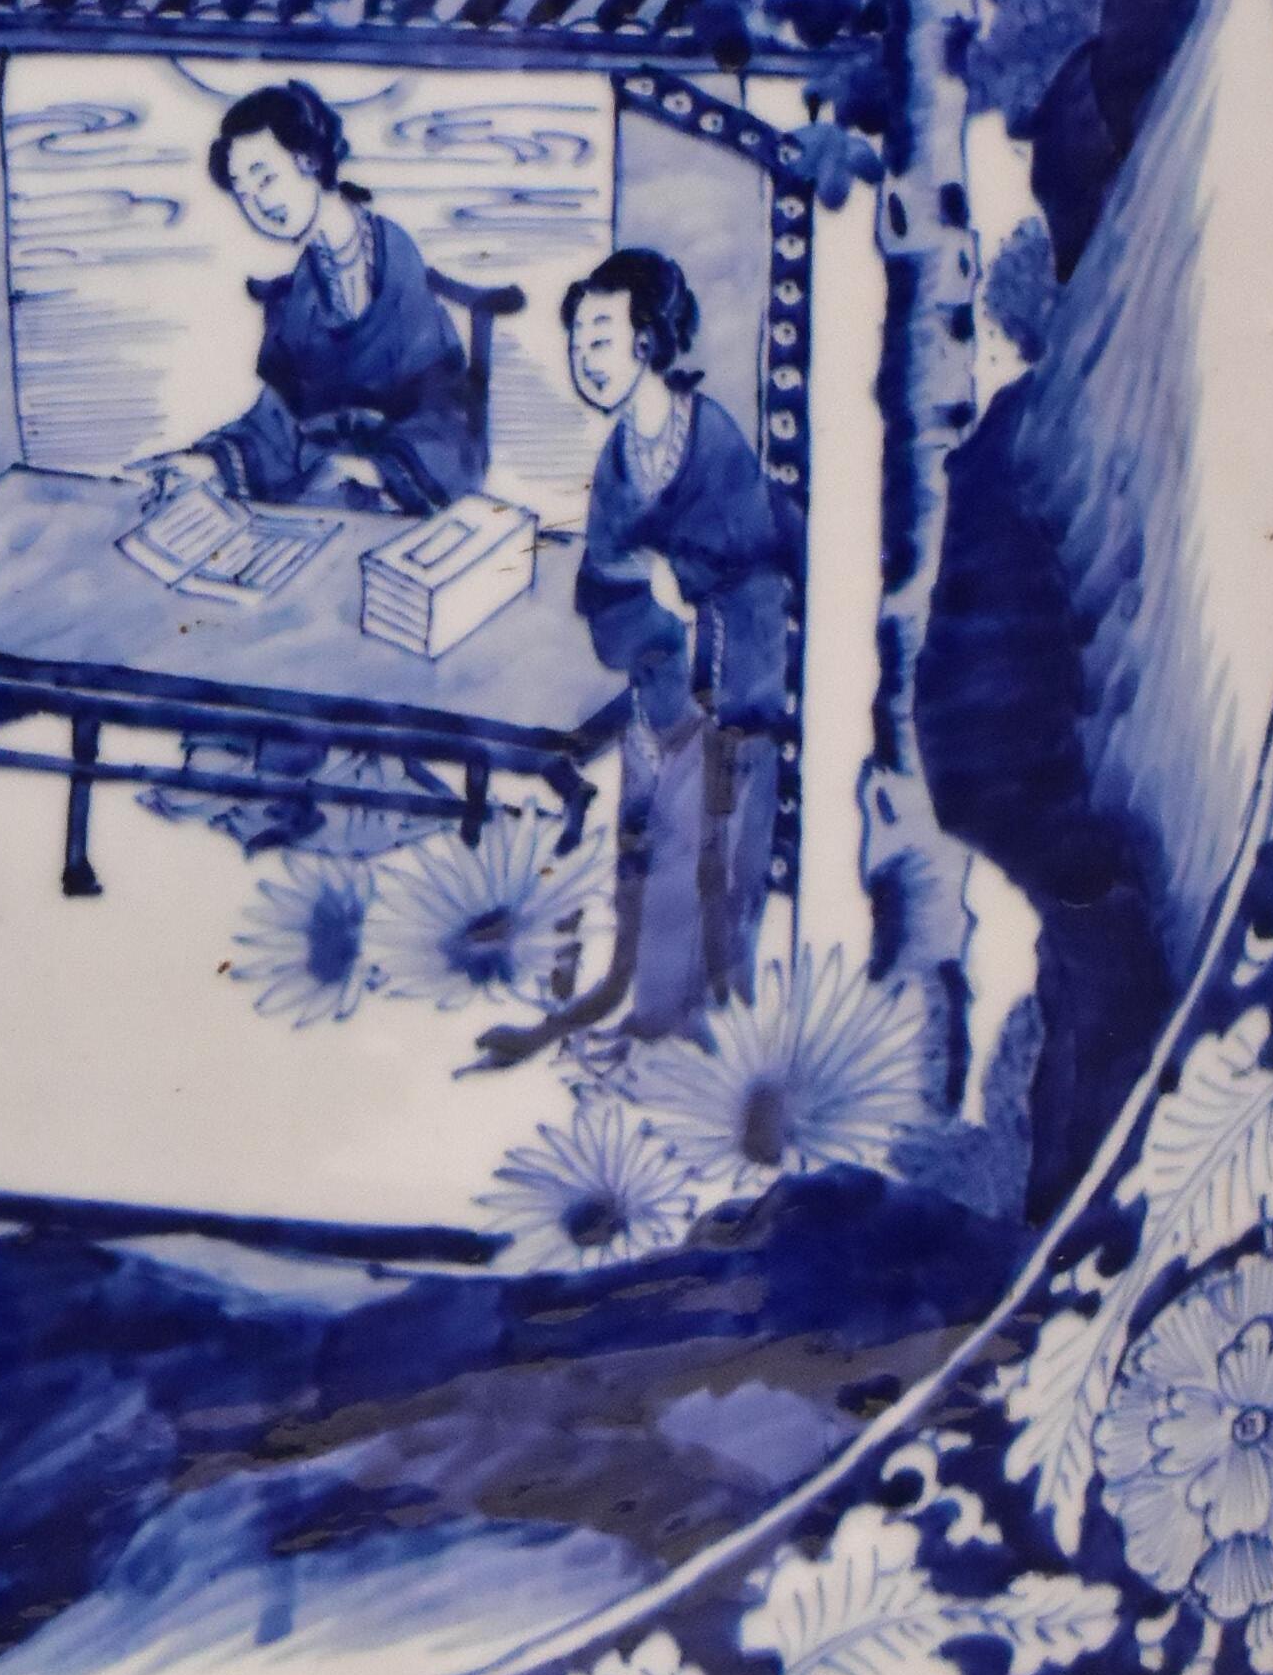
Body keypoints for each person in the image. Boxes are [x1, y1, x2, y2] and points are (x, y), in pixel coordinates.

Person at [488, 249, 798, 1055]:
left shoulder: (711, 437)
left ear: (647, 341)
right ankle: (639, 1011)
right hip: (662, 680)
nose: (585, 360)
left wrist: (680, 586)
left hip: (735, 683)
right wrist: (645, 593)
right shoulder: (618, 455)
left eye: (600, 338)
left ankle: (677, 1035)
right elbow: (602, 580)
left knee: (699, 841)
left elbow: (756, 562)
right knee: (643, 832)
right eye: (577, 344)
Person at [148, 82, 486, 516]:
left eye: (265, 178)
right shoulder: (302, 293)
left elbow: (447, 416)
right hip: (325, 498)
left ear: (309, 158)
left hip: (406, 496)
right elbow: (280, 420)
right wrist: (208, 464)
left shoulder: (395, 261)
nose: (258, 203)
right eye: (242, 192)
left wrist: (374, 470)